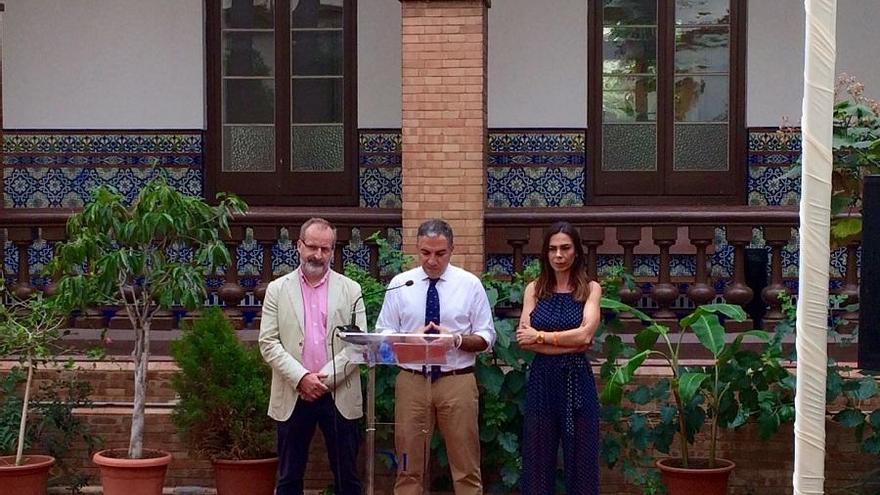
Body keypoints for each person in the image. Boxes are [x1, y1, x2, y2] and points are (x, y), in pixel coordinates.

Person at [375, 219, 496, 495]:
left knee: (465, 466)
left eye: (439, 253)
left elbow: (487, 338)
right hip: (412, 382)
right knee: (407, 464)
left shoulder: (469, 285)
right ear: (417, 249)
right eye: (425, 253)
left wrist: (455, 339)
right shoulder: (400, 284)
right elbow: (382, 333)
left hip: (457, 381)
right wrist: (409, 338)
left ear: (451, 250)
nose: (431, 261)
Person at [259, 217, 365, 495]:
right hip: (293, 392)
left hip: (339, 392)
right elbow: (268, 342)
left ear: (333, 250)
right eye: (312, 247)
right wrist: (302, 378)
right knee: (289, 478)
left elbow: (359, 345)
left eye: (325, 249)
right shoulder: (277, 289)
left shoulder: (351, 290)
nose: (318, 255)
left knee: (347, 479)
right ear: (299, 246)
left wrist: (323, 379)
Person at [515, 221, 602, 495]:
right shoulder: (534, 289)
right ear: (545, 253)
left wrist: (542, 337)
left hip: (577, 380)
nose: (559, 255)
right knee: (538, 459)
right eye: (552, 249)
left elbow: (586, 337)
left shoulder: (590, 289)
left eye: (565, 248)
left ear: (576, 252)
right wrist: (567, 341)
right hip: (542, 380)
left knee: (581, 458)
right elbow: (523, 339)